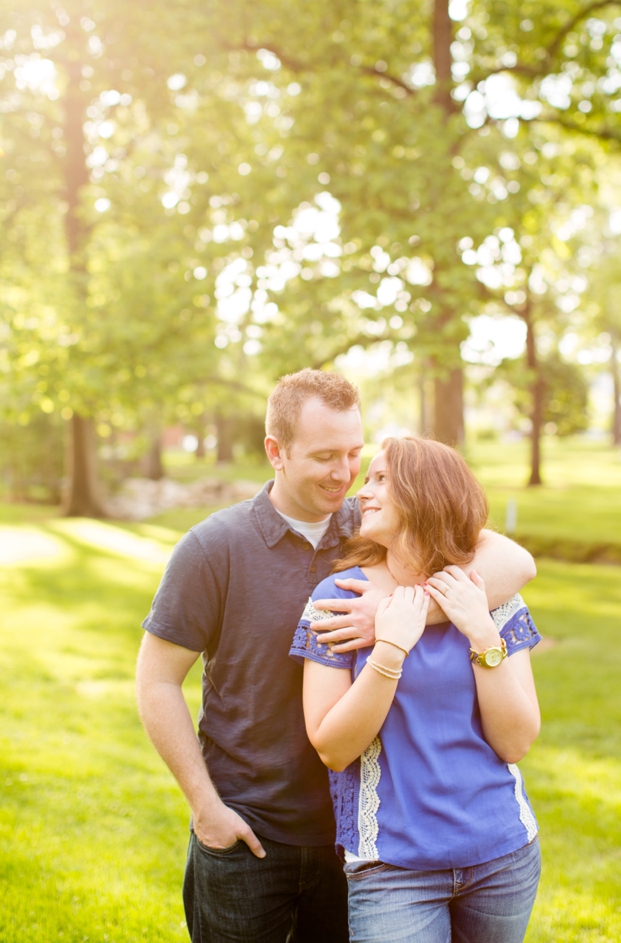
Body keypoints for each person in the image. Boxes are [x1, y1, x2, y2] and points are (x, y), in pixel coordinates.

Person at [135, 369, 536, 943]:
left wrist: (404, 612)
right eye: (325, 456)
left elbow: (515, 563)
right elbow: (156, 682)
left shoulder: (373, 528)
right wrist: (206, 808)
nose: (345, 474)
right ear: (276, 451)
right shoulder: (212, 548)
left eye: (353, 453)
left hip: (362, 839)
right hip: (251, 830)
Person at [293, 436, 543, 943]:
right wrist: (389, 650)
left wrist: (480, 632)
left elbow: (515, 742)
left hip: (502, 859)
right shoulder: (341, 600)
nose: (363, 491)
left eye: (381, 478)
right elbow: (333, 748)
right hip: (394, 871)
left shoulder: (488, 597)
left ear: (426, 492)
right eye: (369, 479)